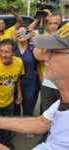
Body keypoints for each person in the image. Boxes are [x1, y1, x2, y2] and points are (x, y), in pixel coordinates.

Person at [0, 23, 69, 150]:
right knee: (0, 126)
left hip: (11, 99)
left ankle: (6, 140)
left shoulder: (18, 62)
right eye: (1, 51)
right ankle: (0, 140)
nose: (42, 58)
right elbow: (40, 123)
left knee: (17, 114)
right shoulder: (61, 103)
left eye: (53, 51)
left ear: (14, 52)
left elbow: (16, 77)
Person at [36, 12, 62, 144]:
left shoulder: (66, 39)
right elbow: (39, 57)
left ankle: (58, 139)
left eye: (55, 23)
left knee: (62, 116)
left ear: (61, 24)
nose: (52, 26)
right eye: (50, 23)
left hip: (63, 87)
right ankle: (45, 138)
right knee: (46, 114)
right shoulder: (45, 38)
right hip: (47, 85)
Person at [12, 25, 37, 139]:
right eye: (19, 33)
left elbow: (41, 60)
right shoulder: (12, 49)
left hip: (29, 82)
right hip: (14, 82)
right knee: (15, 105)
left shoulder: (33, 47)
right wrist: (12, 41)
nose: (22, 35)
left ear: (28, 34)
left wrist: (36, 40)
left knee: (28, 105)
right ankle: (16, 126)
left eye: (24, 32)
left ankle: (29, 127)